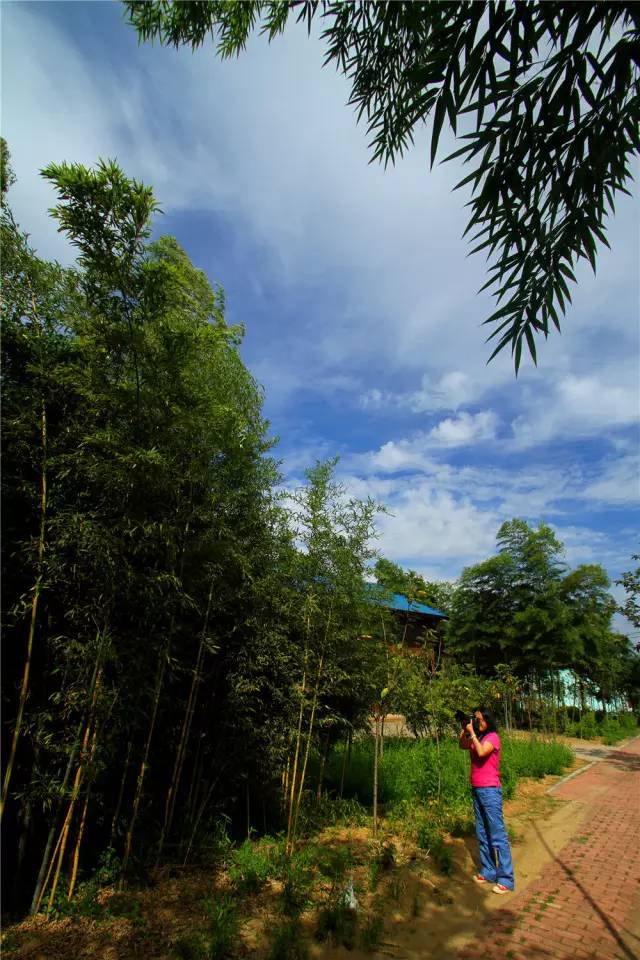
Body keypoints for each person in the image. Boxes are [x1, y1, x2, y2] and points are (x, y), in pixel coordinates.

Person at [458, 707, 514, 894]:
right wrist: (465, 728)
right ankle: (489, 871)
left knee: (497, 834)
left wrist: (472, 734)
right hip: (477, 789)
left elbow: (482, 753)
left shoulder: (492, 738)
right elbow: (462, 745)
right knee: (482, 833)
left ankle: (506, 878)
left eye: (480, 719)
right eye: (476, 719)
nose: (477, 722)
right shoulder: (477, 737)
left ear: (488, 721)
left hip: (490, 790)